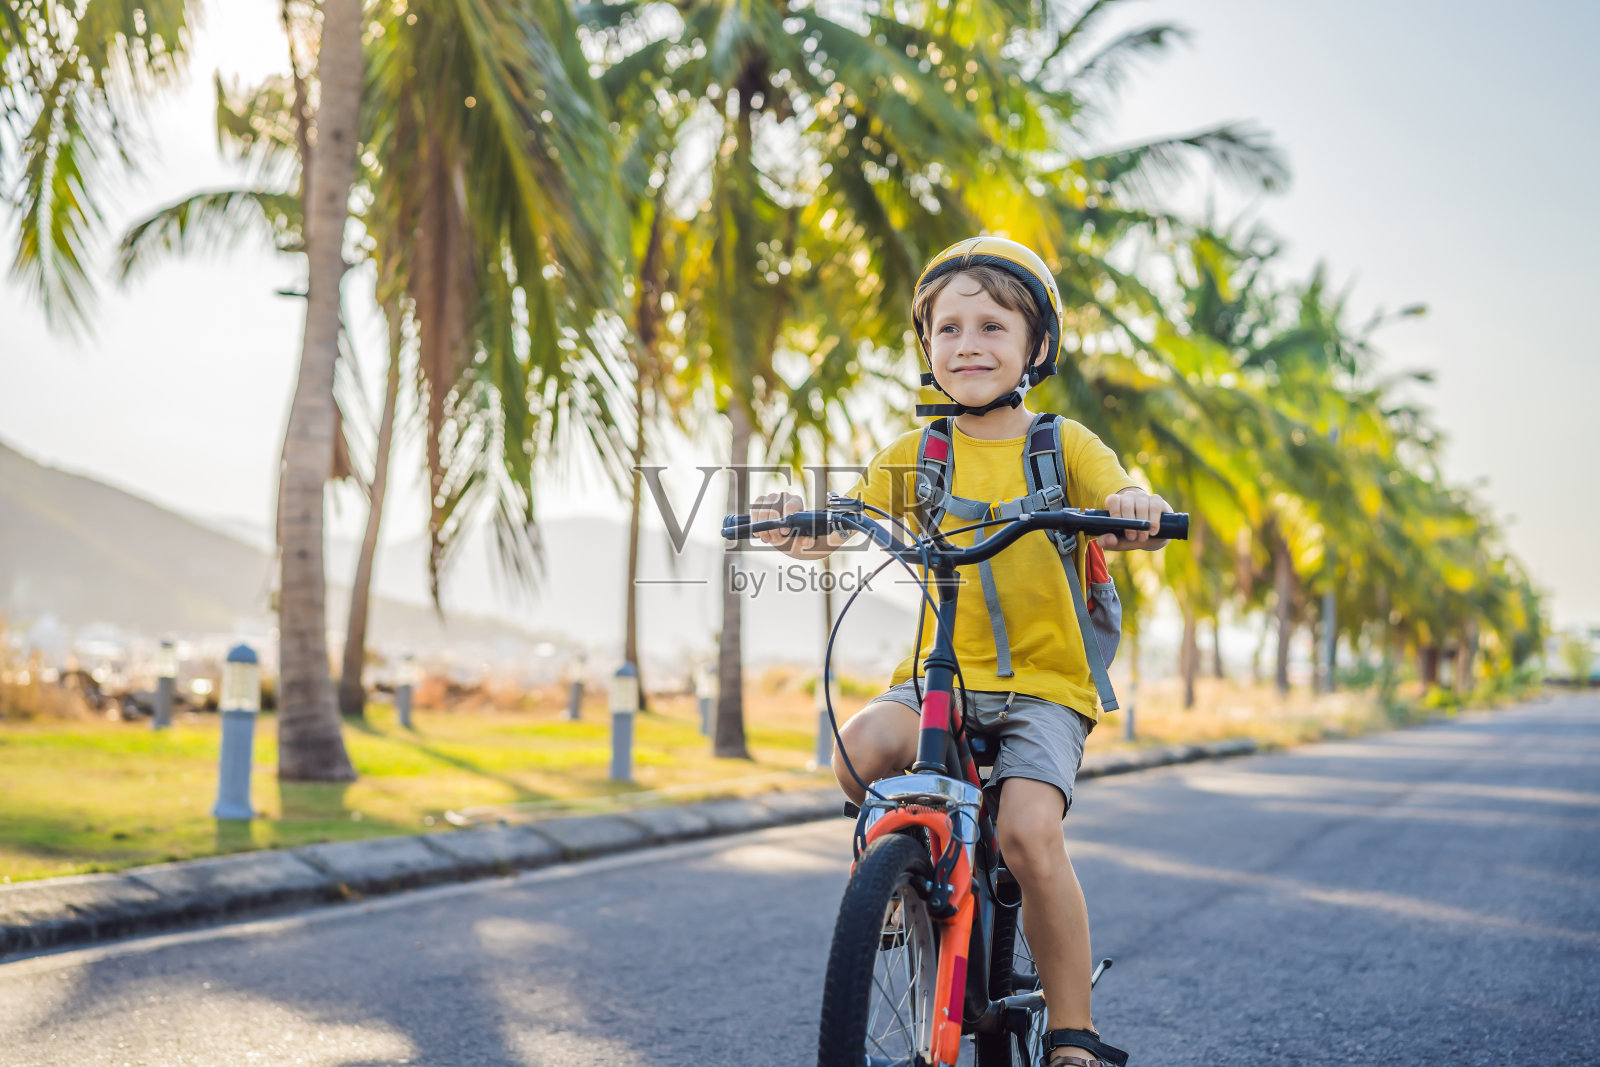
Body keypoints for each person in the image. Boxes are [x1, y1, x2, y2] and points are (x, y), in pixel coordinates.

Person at [749, 236, 1172, 1067]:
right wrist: (799, 524)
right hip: (938, 679)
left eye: (991, 325)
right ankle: (904, 883)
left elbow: (1126, 492)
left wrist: (1135, 505)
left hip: (1043, 687)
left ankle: (1074, 1033)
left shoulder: (1063, 444)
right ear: (927, 347)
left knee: (1027, 833)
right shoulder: (918, 453)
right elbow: (848, 516)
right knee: (858, 749)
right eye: (947, 329)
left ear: (1035, 347)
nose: (968, 344)